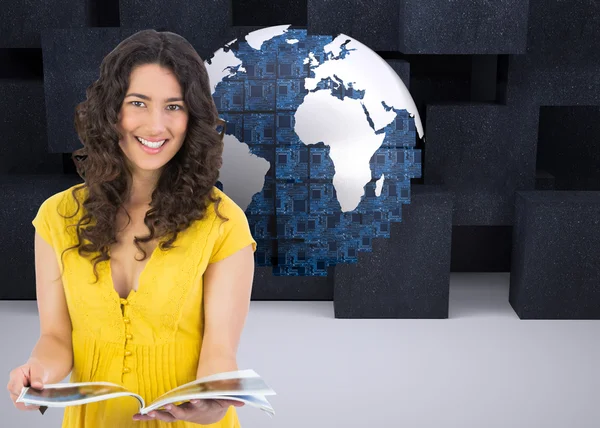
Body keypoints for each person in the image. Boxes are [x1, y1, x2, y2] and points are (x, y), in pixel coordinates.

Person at [6, 29, 257, 427]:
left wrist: (215, 400)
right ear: (111, 110)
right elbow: (56, 339)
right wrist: (38, 373)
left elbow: (219, 350)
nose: (156, 125)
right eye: (138, 103)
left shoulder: (223, 223)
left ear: (193, 117)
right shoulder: (57, 218)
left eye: (173, 106)